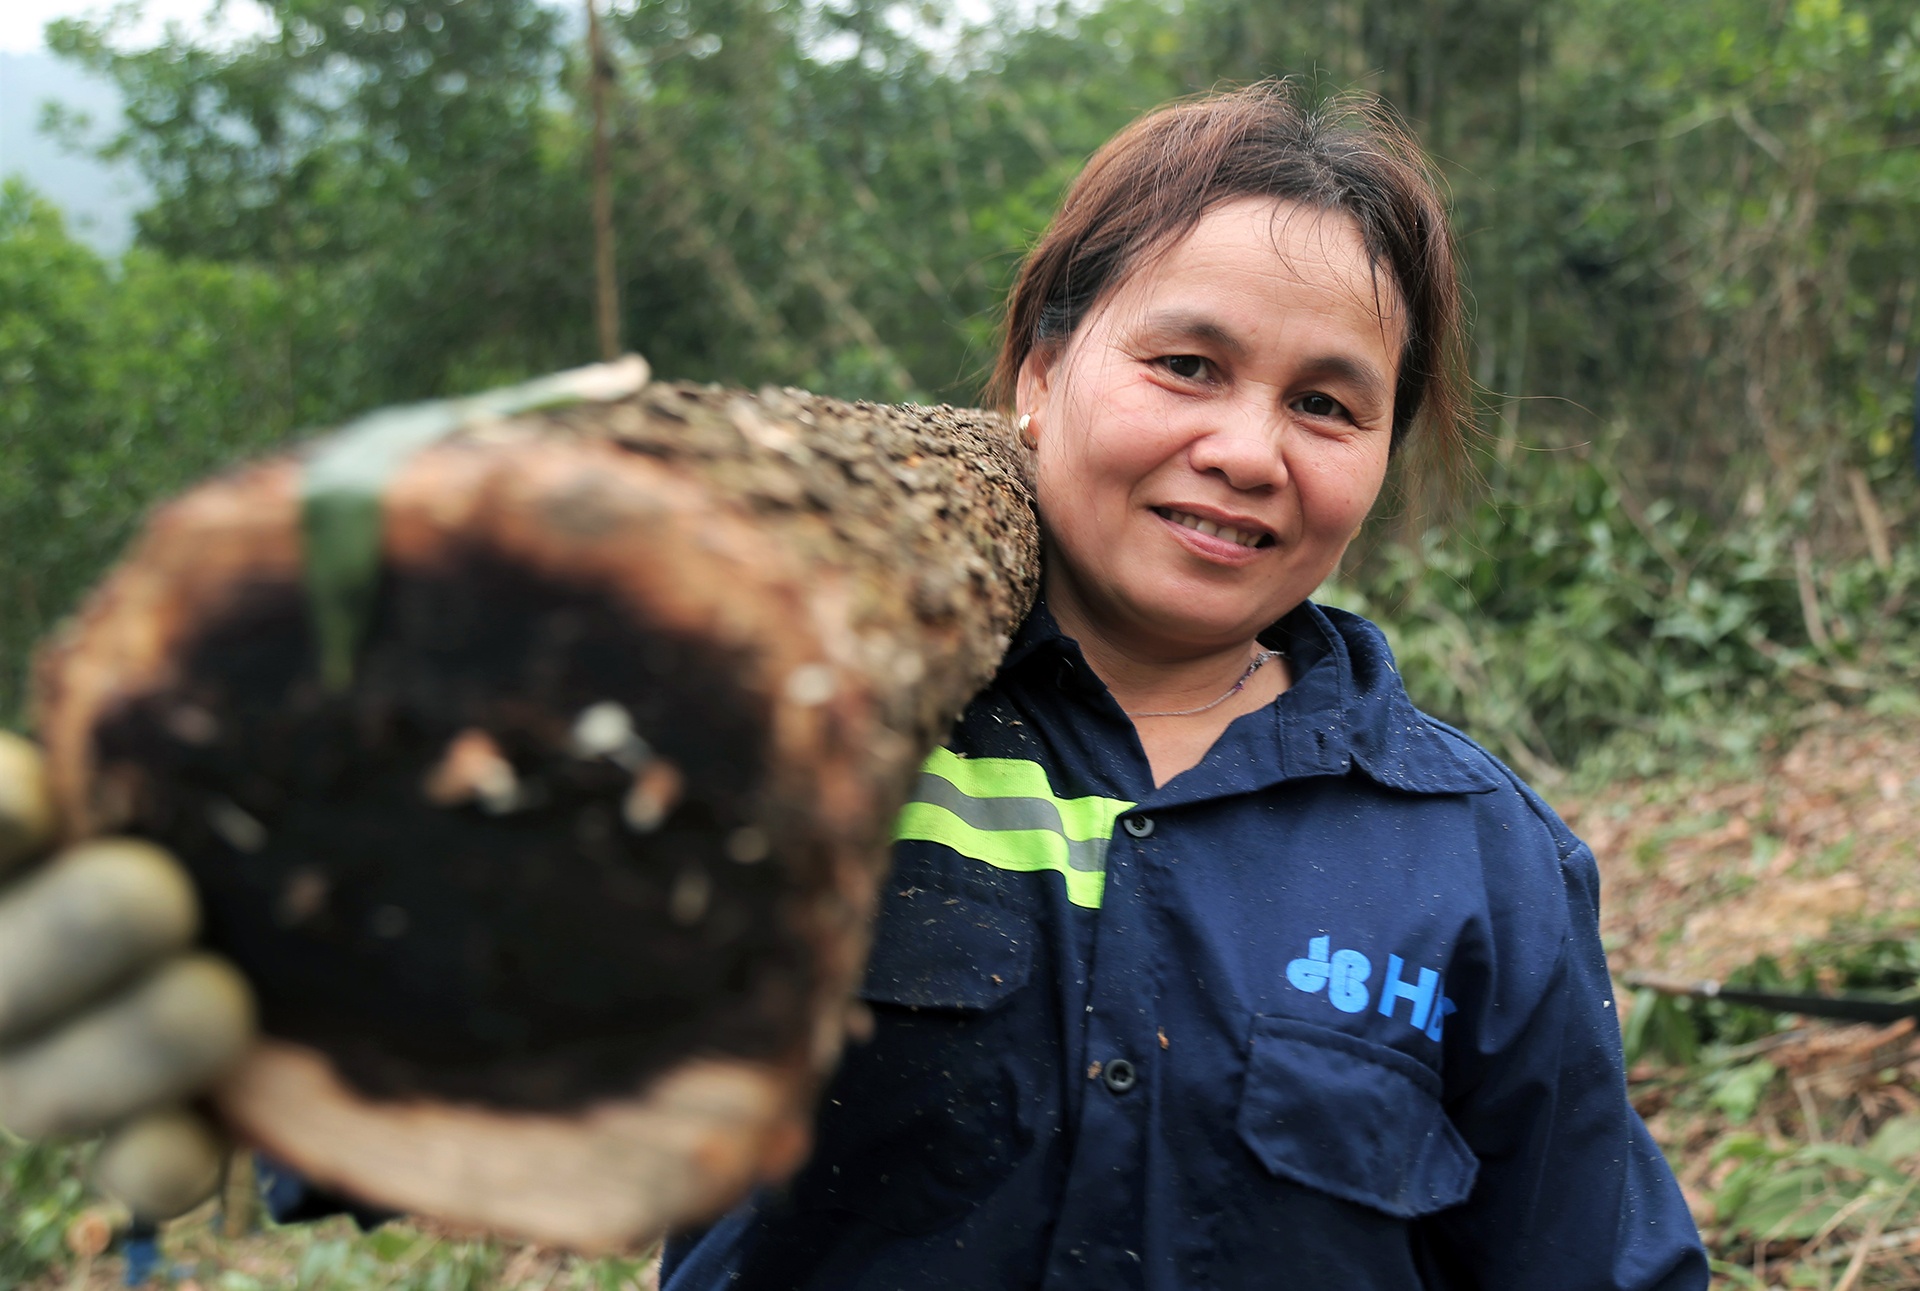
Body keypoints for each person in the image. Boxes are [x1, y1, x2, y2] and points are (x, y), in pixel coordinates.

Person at [0, 83, 1707, 1290]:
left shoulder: (1475, 856)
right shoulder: (816, 731)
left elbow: (1586, 1258)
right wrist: (274, 967)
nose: (1244, 449)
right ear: (1039, 373)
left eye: (1328, 407)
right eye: (1185, 364)